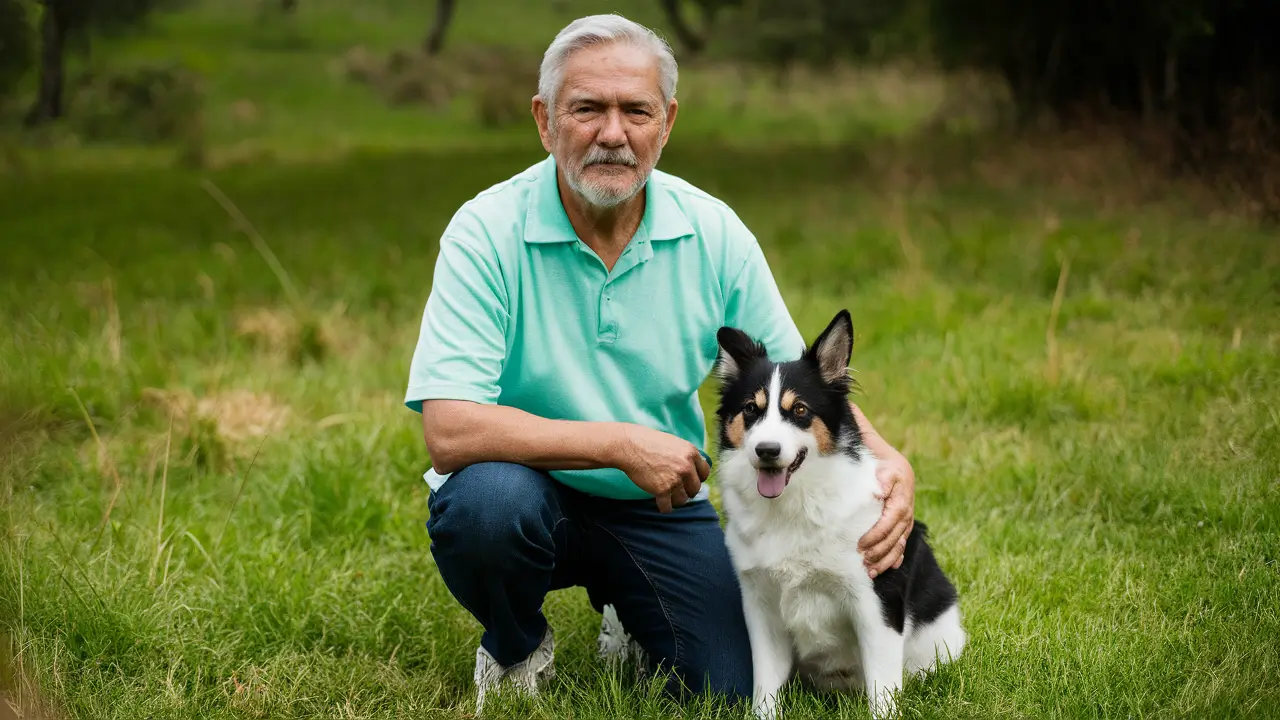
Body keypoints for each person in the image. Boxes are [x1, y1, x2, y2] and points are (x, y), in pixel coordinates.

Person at [403, 13, 917, 713]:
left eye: (635, 110)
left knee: (728, 688)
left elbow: (796, 383)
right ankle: (517, 643)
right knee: (487, 508)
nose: (612, 133)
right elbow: (450, 431)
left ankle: (632, 608)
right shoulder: (485, 230)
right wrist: (616, 443)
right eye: (586, 109)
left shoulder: (713, 232)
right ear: (545, 121)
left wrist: (892, 463)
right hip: (523, 485)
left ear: (666, 122)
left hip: (659, 505)